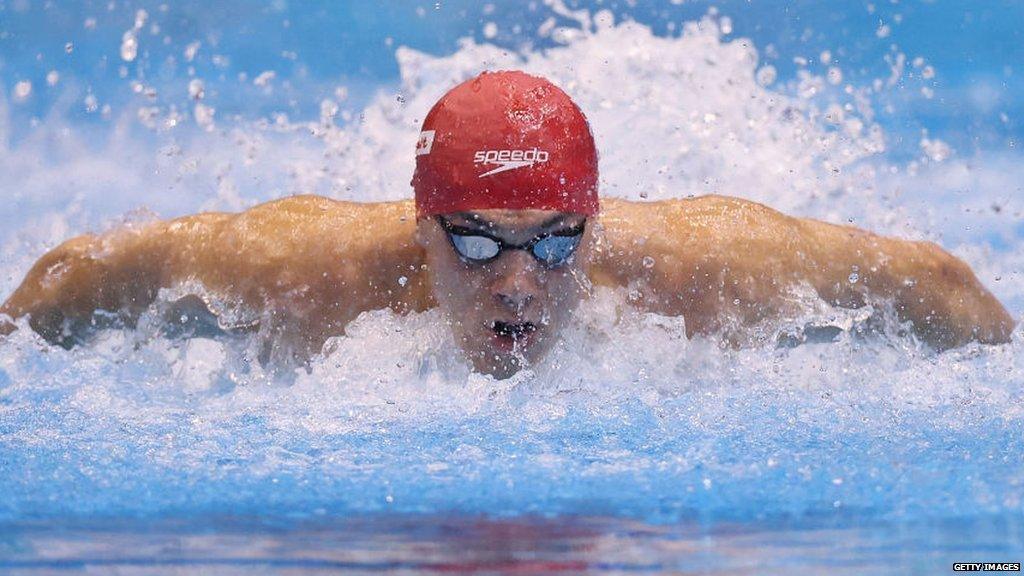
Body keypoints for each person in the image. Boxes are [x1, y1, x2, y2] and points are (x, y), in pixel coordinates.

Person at [0, 71, 1014, 378]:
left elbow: (934, 282)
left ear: (594, 225)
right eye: (476, 240)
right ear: (421, 224)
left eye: (554, 239)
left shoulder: (711, 270)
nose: (518, 280)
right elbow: (78, 273)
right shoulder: (299, 268)